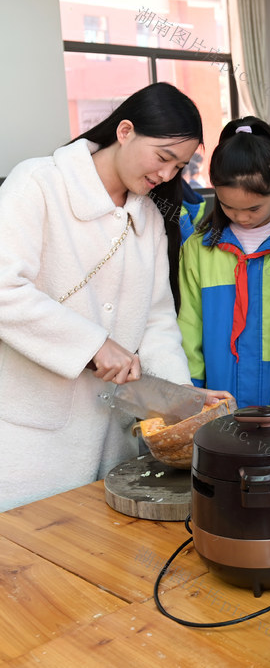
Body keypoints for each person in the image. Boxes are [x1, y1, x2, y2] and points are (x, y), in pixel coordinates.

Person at [0, 83, 230, 511]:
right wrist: (93, 345)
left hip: (114, 444)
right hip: (34, 442)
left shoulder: (148, 216)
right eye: (163, 157)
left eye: (179, 166)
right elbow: (3, 287)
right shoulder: (39, 184)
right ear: (125, 131)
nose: (166, 175)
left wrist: (181, 400)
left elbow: (158, 319)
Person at [177, 117, 270, 409]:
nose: (241, 217)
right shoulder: (199, 249)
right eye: (228, 206)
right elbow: (187, 327)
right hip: (216, 406)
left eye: (254, 208)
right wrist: (191, 395)